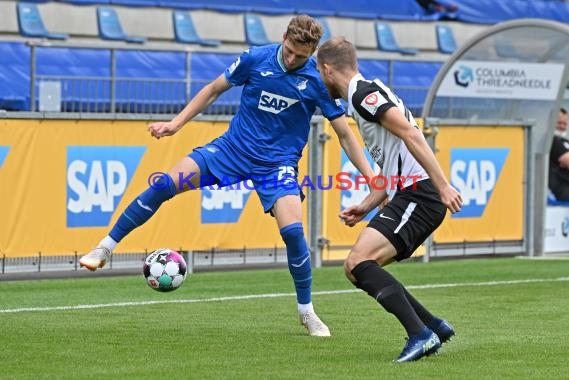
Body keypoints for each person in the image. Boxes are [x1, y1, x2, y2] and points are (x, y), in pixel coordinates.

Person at [79, 16, 374, 337]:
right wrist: (175, 124)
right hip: (232, 150)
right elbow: (212, 89)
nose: (292, 59)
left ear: (313, 54)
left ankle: (307, 312)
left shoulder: (317, 80)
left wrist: (372, 177)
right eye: (289, 50)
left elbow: (345, 134)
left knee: (293, 233)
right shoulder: (255, 59)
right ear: (284, 37)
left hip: (277, 166)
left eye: (300, 56)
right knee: (164, 184)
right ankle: (105, 247)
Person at [316, 37, 463, 362]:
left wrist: (442, 186)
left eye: (318, 70)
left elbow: (413, 135)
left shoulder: (361, 95)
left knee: (357, 263)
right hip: (412, 192)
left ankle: (420, 334)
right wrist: (367, 204)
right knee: (361, 267)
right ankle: (431, 326)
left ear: (327, 69)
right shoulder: (364, 94)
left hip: (420, 194)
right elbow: (393, 160)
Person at [549, 108, 569, 201]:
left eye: (564, 124)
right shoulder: (552, 140)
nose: (562, 126)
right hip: (562, 190)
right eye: (559, 123)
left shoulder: (566, 141)